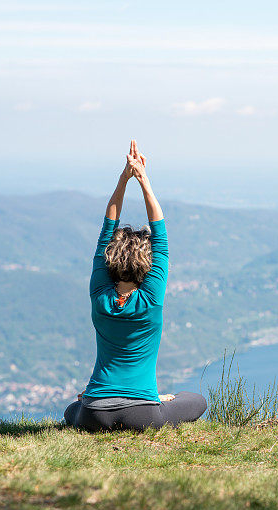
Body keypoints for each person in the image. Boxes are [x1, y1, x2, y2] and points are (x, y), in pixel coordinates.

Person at [63, 140, 207, 431]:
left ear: (109, 260)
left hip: (94, 412)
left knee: (72, 409)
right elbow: (161, 237)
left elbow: (106, 230)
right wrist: (143, 179)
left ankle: (92, 401)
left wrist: (123, 179)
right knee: (195, 400)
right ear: (148, 265)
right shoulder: (150, 299)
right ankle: (156, 400)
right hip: (143, 413)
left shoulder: (100, 296)